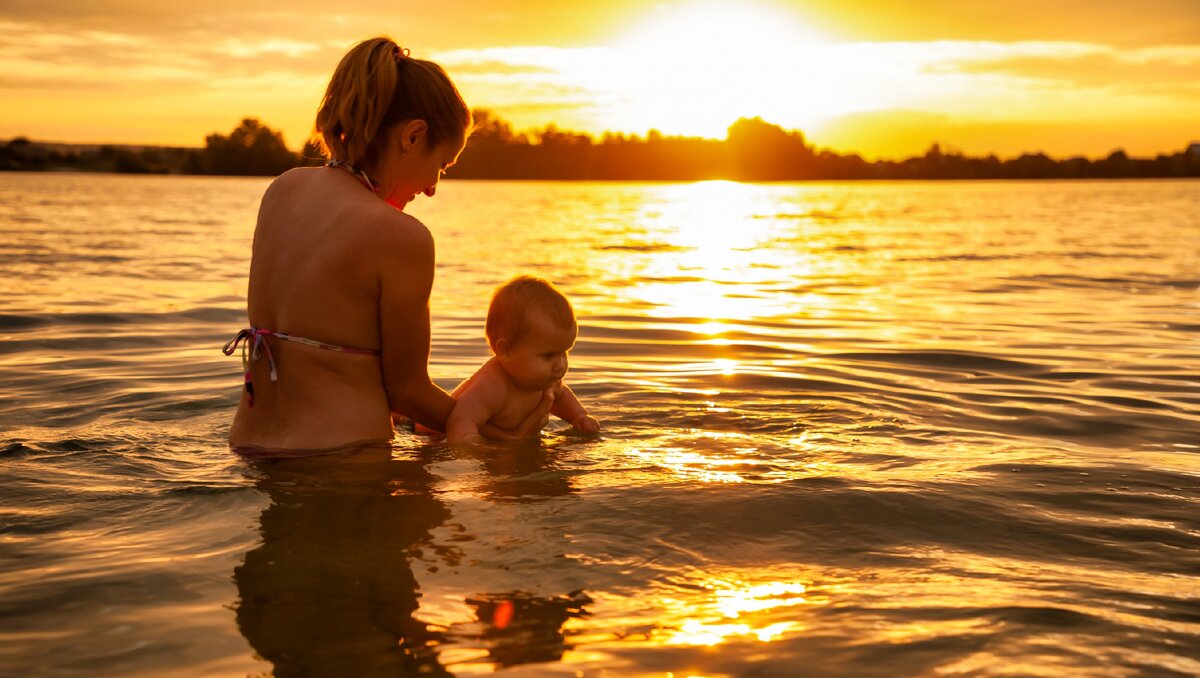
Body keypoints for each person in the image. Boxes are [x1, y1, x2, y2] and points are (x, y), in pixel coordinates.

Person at [223, 37, 551, 453]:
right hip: (346, 463)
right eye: (442, 165)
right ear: (413, 137)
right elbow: (407, 392)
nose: (432, 188)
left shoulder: (282, 190)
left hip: (249, 450)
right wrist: (492, 428)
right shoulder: (401, 237)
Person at [446, 276, 600, 443]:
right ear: (505, 351)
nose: (559, 365)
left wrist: (579, 416)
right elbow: (460, 419)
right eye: (548, 355)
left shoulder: (546, 382)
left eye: (564, 353)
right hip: (432, 435)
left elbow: (561, 396)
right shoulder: (491, 387)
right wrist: (474, 449)